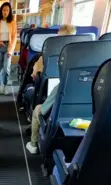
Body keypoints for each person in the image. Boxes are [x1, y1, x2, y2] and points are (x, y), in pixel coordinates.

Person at [26, 24, 77, 154]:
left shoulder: (46, 55)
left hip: (51, 97)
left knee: (38, 108)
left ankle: (33, 144)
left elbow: (34, 75)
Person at [0, 2, 17, 95]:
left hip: (8, 46)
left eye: (7, 10)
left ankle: (5, 86)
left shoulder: (12, 22)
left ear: (9, 12)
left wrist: (10, 51)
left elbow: (14, 38)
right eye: (4, 10)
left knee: (6, 68)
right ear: (1, 11)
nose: (5, 12)